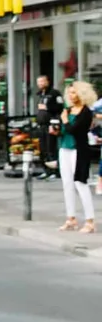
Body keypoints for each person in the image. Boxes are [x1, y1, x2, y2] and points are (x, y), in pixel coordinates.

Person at [58, 80, 97, 233]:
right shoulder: (67, 110)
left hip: (78, 150)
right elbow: (64, 130)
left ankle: (90, 220)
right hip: (64, 149)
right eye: (69, 92)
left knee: (80, 183)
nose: (71, 95)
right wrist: (57, 129)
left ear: (82, 94)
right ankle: (71, 218)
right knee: (67, 184)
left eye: (74, 92)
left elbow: (74, 129)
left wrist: (65, 121)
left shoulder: (86, 112)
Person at [35, 75, 64, 180]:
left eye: (43, 81)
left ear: (47, 81)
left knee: (51, 148)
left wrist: (47, 107)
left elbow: (60, 107)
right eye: (39, 82)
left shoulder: (54, 93)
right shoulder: (40, 95)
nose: (41, 84)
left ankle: (55, 171)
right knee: (43, 149)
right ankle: (46, 170)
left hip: (50, 125)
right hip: (41, 125)